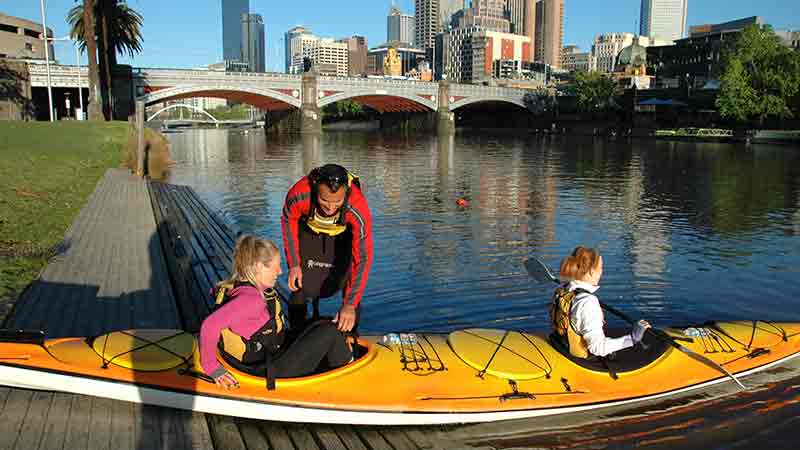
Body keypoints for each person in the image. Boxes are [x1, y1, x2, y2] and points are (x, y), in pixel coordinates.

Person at [199, 235, 352, 390]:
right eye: (277, 266)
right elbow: (209, 325)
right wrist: (212, 368)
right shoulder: (250, 300)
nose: (280, 272)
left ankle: (342, 357)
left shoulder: (238, 287)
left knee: (324, 322)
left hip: (269, 354)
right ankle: (349, 379)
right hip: (266, 370)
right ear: (259, 267)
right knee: (330, 332)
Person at [281, 163, 373, 333]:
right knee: (299, 285)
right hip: (310, 232)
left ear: (346, 193)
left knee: (350, 286)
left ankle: (350, 336)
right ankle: (295, 334)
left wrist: (350, 304)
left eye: (337, 201)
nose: (330, 208)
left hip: (342, 237)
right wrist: (293, 264)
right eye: (324, 200)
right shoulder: (300, 194)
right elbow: (288, 221)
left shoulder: (357, 205)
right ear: (315, 188)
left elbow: (363, 258)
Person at [550, 246, 651, 359]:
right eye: (601, 268)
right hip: (582, 359)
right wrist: (632, 339)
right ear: (592, 272)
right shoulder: (588, 302)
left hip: (562, 344)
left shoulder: (562, 290)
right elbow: (597, 348)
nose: (602, 272)